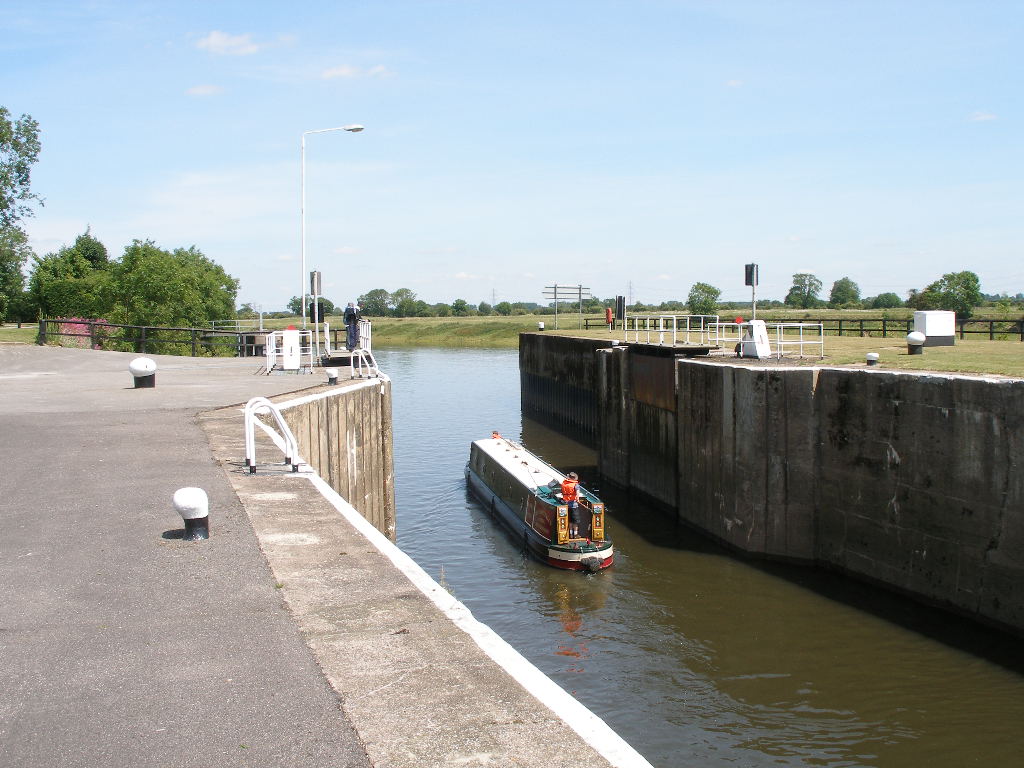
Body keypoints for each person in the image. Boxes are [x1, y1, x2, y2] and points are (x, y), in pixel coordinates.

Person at [561, 471, 580, 538]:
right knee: (575, 521)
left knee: (570, 521)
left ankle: (570, 534)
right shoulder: (575, 485)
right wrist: (577, 498)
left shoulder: (564, 483)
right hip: (573, 505)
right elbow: (577, 493)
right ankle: (575, 535)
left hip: (566, 504)